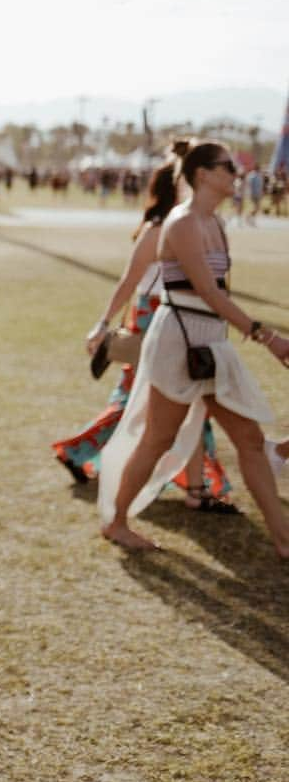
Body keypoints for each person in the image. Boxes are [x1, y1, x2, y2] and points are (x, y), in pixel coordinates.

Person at [98, 141, 289, 554]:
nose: (236, 175)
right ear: (203, 173)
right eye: (228, 168)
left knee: (250, 441)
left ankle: (283, 539)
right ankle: (116, 522)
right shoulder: (181, 223)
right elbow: (206, 292)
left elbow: (219, 293)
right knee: (157, 439)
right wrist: (269, 337)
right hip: (179, 340)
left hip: (210, 342)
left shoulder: (215, 224)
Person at [53, 156, 236, 511]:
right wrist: (103, 322)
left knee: (176, 402)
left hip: (185, 319)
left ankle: (195, 486)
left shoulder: (191, 223)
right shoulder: (161, 227)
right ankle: (85, 455)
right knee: (142, 404)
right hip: (156, 319)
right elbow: (130, 280)